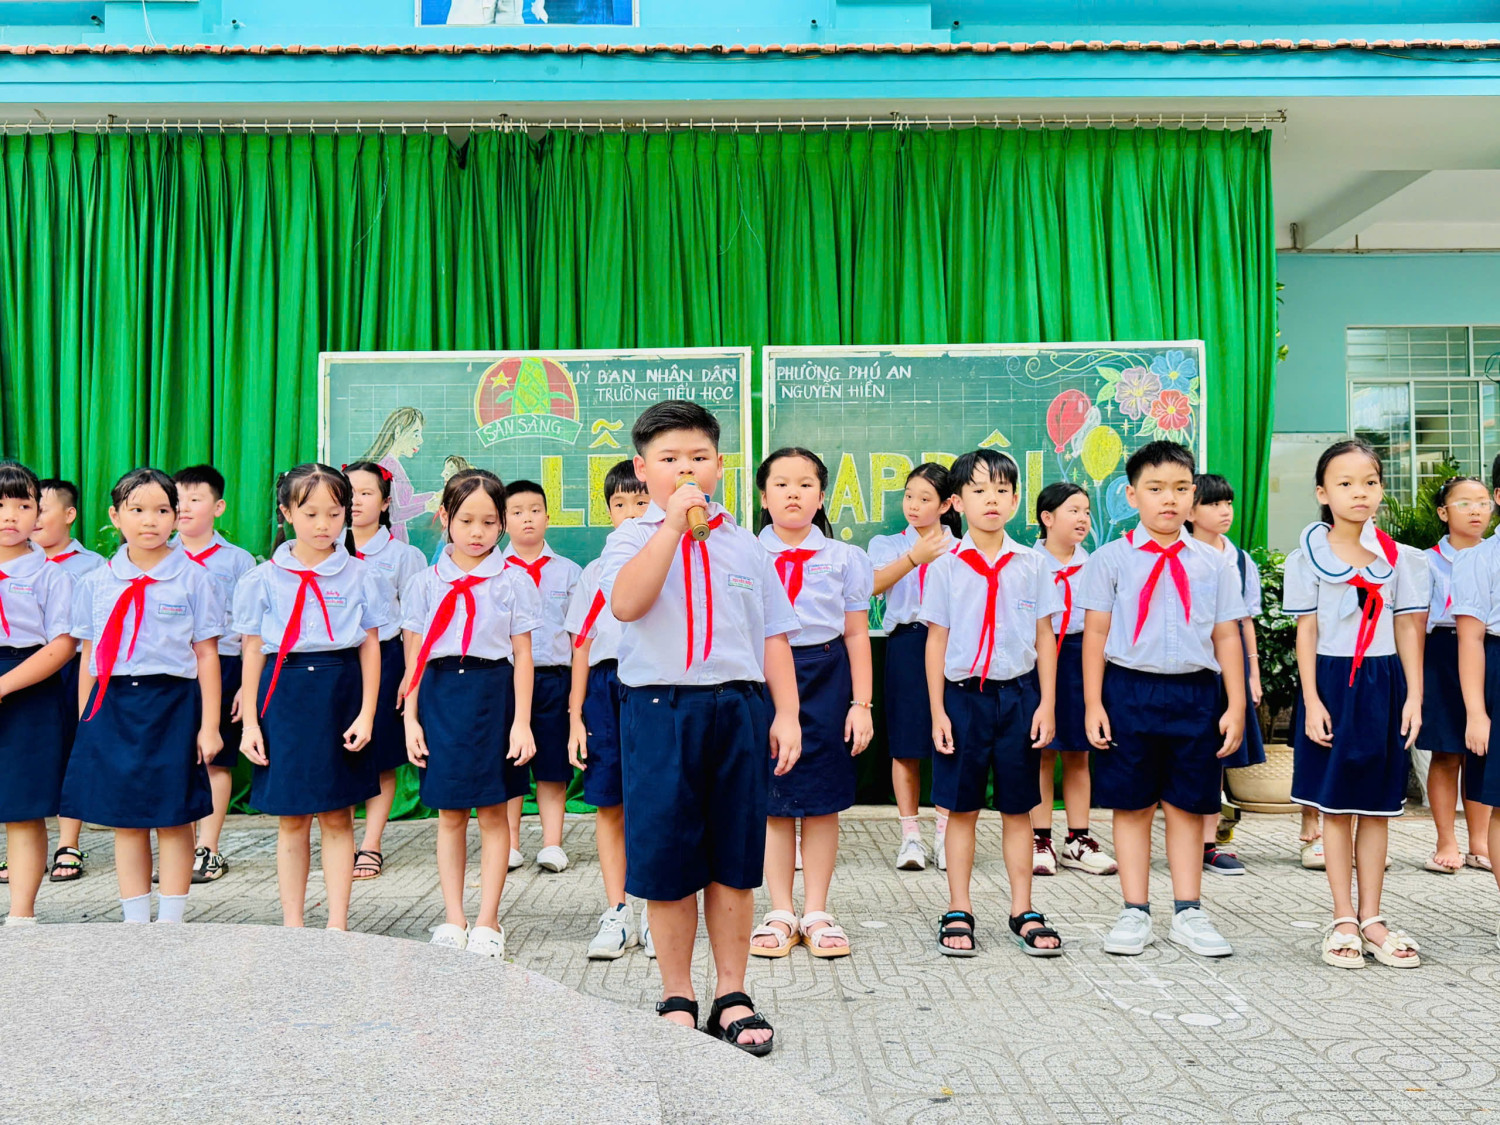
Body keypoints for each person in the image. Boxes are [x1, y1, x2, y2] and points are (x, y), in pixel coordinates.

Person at [599, 399, 800, 1055]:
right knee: (667, 857)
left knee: (735, 860)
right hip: (660, 711)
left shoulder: (745, 543)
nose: (685, 468)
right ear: (642, 469)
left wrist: (787, 713)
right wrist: (670, 527)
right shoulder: (630, 538)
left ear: (719, 464)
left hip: (737, 706)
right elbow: (627, 603)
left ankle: (732, 994)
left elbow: (772, 635)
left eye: (699, 457)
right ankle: (678, 993)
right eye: (669, 458)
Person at [1079, 440, 1246, 959]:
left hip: (1197, 693)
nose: (1168, 499)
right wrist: (1093, 704)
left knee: (1188, 805)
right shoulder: (1110, 559)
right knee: (1132, 805)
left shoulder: (1214, 563)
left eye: (1179, 488)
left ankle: (1189, 911)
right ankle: (1134, 910)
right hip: (1129, 690)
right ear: (1132, 495)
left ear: (1193, 494)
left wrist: (1236, 704)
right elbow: (1095, 635)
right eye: (1155, 489)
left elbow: (1226, 635)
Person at [1283, 440, 1426, 969]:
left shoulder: (1402, 559)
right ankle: (1342, 917)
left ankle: (1373, 918)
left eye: (1369, 481)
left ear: (1381, 489)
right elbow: (1307, 632)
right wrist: (1312, 700)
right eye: (1344, 483)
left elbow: (1408, 629)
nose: (1359, 492)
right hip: (1331, 682)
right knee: (1336, 807)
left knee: (1378, 806)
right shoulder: (1307, 558)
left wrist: (1414, 696)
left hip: (1383, 685)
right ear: (1323, 493)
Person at [59, 468, 223, 924]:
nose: (150, 520)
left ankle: (170, 921)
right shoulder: (97, 581)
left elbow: (207, 655)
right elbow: (90, 655)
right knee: (126, 818)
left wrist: (209, 726)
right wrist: (86, 720)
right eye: (137, 510)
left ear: (176, 516)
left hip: (173, 704)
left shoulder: (194, 579)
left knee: (174, 816)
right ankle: (134, 924)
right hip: (111, 705)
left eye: (162, 510)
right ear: (115, 516)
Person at [234, 464, 392, 930]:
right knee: (292, 817)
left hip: (340, 691)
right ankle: (293, 926)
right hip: (283, 694)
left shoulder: (361, 575)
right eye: (310, 514)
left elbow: (370, 647)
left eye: (334, 513)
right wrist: (250, 723)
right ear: (286, 513)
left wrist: (366, 713)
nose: (324, 525)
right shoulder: (262, 579)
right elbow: (252, 650)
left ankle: (337, 925)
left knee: (338, 815)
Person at [923, 449, 1062, 958]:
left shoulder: (1033, 564)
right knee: (960, 809)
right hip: (963, 699)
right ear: (957, 502)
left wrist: (1046, 704)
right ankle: (959, 907)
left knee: (1018, 808)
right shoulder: (945, 567)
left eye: (1002, 490)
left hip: (1019, 697)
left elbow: (1045, 636)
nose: (992, 500)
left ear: (1016, 499)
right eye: (979, 491)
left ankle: (1023, 909)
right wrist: (937, 711)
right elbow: (936, 641)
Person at [403, 469, 540, 957]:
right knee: (450, 813)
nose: (477, 532)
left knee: (494, 812)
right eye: (466, 520)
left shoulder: (513, 581)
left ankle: (488, 921)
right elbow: (414, 657)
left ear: (502, 522)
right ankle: (453, 918)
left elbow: (523, 656)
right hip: (440, 695)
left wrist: (521, 722)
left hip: (493, 694)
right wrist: (410, 719)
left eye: (488, 521)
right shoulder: (424, 583)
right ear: (445, 517)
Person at [749, 448, 874, 960]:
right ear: (763, 496)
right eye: (781, 484)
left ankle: (817, 911)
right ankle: (781, 911)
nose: (793, 494)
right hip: (761, 674)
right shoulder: (745, 553)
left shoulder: (846, 558)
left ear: (822, 497)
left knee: (822, 800)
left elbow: (857, 633)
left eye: (805, 485)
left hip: (826, 674)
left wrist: (861, 703)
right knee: (774, 799)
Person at [567, 460, 652, 960]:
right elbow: (581, 644)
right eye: (620, 504)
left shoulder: (674, 560)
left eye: (642, 502)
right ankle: (618, 910)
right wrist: (575, 717)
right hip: (606, 686)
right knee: (609, 802)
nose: (631, 513)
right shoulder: (595, 572)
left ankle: (660, 909)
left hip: (657, 686)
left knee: (659, 800)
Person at [868, 463, 958, 873]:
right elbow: (871, 585)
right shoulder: (887, 544)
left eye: (925, 498)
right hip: (906, 643)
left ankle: (945, 834)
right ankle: (910, 836)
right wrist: (913, 558)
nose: (914, 505)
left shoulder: (962, 548)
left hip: (953, 646)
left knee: (951, 741)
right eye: (909, 496)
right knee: (905, 744)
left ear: (947, 504)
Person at [0, 462, 78, 924]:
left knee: (22, 808)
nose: (10, 515)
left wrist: (5, 684)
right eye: (0, 505)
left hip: (28, 687)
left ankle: (21, 915)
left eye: (23, 505)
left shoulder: (52, 575)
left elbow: (63, 644)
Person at [343, 460, 428, 882]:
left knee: (380, 755)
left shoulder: (403, 555)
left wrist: (410, 675)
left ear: (385, 502)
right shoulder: (326, 550)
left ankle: (371, 843)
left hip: (388, 658)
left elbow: (414, 621)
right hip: (338, 661)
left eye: (366, 493)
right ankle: (339, 841)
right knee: (337, 752)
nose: (355, 501)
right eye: (348, 493)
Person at [171, 464, 256, 884]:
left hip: (223, 664)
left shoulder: (238, 560)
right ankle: (180, 849)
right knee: (177, 757)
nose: (184, 507)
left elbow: (249, 628)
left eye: (195, 499)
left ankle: (209, 848)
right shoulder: (161, 555)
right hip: (173, 669)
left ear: (218, 507)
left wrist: (244, 685)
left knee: (215, 759)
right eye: (178, 499)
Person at [1031, 482, 1117, 878]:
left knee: (1079, 752)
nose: (1083, 519)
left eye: (1086, 511)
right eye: (1073, 511)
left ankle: (1078, 840)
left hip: (1083, 658)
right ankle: (1040, 840)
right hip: (1038, 657)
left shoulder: (1096, 564)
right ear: (1047, 518)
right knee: (1042, 751)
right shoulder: (1027, 564)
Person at [502, 480, 582, 873]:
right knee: (510, 764)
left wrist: (576, 692)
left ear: (548, 517)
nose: (527, 519)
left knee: (552, 765)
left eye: (535, 510)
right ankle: (509, 844)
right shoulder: (494, 572)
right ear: (503, 521)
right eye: (517, 512)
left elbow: (579, 636)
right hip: (506, 679)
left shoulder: (569, 572)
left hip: (554, 679)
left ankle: (552, 844)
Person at [1187, 474, 1264, 877]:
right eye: (1214, 504)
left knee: (1217, 756)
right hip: (1190, 667)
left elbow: (1244, 621)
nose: (1224, 512)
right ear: (1190, 511)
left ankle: (1209, 843)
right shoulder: (1179, 556)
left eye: (1228, 503)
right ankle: (1180, 840)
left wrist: (1252, 675)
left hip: (1228, 668)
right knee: (1187, 755)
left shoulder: (1239, 560)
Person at [29, 478, 105, 885]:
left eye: (41, 509)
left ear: (69, 514)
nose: (33, 518)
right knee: (27, 753)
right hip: (24, 668)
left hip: (74, 667)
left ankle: (68, 843)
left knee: (72, 749)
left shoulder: (93, 567)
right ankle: (23, 845)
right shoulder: (15, 562)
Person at [1421, 475, 1493, 874]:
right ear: (1443, 512)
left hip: (1487, 650)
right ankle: (1446, 839)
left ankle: (1479, 840)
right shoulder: (1426, 561)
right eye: (1464, 503)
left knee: (1483, 751)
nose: (1476, 511)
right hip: (1443, 653)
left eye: (1482, 502)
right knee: (1447, 751)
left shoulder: (1494, 554)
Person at [359, 407, 434, 544]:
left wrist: (433, 496)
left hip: (395, 543)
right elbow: (394, 513)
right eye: (415, 434)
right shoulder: (386, 466)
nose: (420, 440)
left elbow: (403, 502)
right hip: (388, 544)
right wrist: (427, 506)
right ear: (398, 431)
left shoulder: (392, 463)